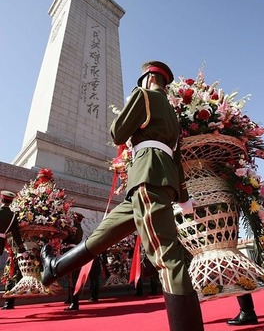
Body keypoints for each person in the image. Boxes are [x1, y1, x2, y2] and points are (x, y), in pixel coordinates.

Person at [40, 60, 204, 331]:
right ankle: (55, 267)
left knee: (167, 256)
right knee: (103, 235)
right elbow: (177, 160)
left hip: (146, 179)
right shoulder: (173, 116)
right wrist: (183, 196)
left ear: (149, 78)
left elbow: (117, 133)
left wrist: (133, 105)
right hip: (160, 181)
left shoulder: (144, 96)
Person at [0, 190, 25, 310]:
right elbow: (16, 235)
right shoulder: (13, 216)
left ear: (1, 199)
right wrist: (22, 249)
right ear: (11, 202)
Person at [62, 212, 84, 311]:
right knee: (72, 278)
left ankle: (74, 302)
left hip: (70, 252)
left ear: (75, 219)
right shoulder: (80, 229)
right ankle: (72, 300)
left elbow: (68, 238)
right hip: (75, 252)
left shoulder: (73, 229)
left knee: (72, 279)